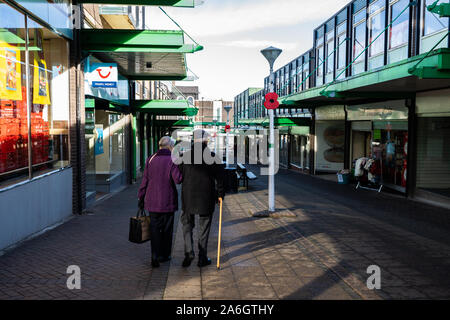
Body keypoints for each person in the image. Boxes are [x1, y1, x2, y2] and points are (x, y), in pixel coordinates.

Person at [178, 129, 226, 268]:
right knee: (204, 227)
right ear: (206, 141)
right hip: (206, 197)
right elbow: (221, 178)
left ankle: (188, 252)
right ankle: (202, 257)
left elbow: (179, 176)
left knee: (187, 225)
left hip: (188, 197)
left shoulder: (184, 156)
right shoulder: (213, 156)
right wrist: (220, 195)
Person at [138, 136, 182, 268]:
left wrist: (141, 196)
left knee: (155, 229)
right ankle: (165, 255)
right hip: (167, 201)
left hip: (151, 201)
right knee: (167, 230)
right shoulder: (172, 159)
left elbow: (145, 180)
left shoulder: (150, 159)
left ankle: (154, 255)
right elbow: (178, 179)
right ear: (170, 146)